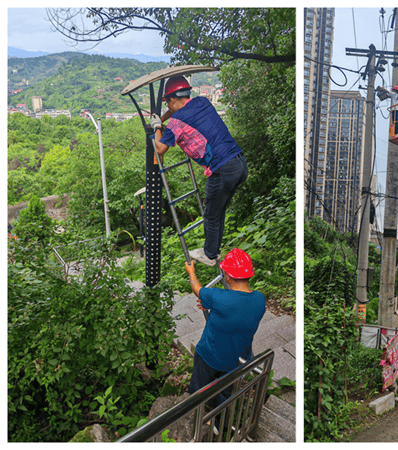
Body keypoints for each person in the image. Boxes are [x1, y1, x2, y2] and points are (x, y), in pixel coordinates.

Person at [151, 75, 248, 266]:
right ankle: (214, 250)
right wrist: (163, 119)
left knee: (211, 215)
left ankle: (210, 254)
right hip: (239, 164)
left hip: (222, 168)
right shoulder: (202, 102)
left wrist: (156, 127)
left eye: (168, 103)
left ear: (172, 99)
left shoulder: (176, 122)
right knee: (218, 211)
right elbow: (179, 111)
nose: (168, 108)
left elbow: (160, 148)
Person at [184, 248, 266, 421]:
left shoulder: (219, 297)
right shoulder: (259, 299)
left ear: (227, 276)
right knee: (224, 394)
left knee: (197, 391)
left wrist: (191, 272)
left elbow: (197, 288)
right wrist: (215, 307)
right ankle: (220, 424)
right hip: (235, 361)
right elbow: (238, 312)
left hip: (208, 355)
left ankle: (194, 421)